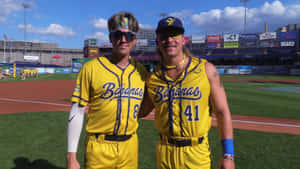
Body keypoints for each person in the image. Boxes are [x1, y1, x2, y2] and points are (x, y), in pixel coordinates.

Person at [139, 16, 235, 169]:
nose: (170, 40)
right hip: (165, 153)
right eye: (164, 36)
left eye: (174, 34)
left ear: (183, 40)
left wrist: (228, 155)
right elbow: (140, 112)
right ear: (157, 41)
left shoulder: (206, 70)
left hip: (196, 153)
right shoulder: (153, 78)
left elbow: (223, 112)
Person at [67, 12, 147, 169]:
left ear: (134, 40)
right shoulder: (91, 68)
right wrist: (71, 156)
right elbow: (77, 110)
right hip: (98, 146)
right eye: (118, 35)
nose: (123, 40)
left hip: (130, 146)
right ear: (110, 38)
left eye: (128, 36)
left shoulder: (142, 72)